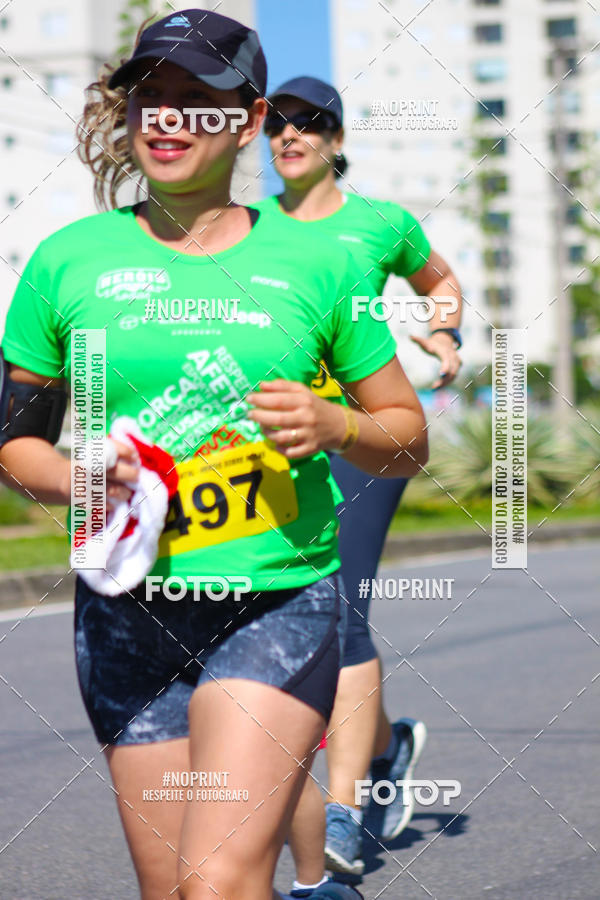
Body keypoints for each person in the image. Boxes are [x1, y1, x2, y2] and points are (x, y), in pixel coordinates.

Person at [0, 12, 428, 900]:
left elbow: (406, 436)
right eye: (150, 97)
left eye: (197, 100)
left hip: (271, 604)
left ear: (248, 118)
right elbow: (17, 445)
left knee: (217, 884)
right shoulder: (66, 261)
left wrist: (336, 424)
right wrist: (88, 474)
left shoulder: (317, 264)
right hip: (126, 612)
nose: (165, 118)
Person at [258, 76, 463, 876]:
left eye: (309, 124)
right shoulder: (245, 226)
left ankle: (342, 813)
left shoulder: (382, 224)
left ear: (337, 140)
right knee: (288, 618)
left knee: (344, 611)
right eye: (277, 123)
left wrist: (442, 339)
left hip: (366, 436)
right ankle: (390, 743)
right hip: (271, 446)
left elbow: (438, 281)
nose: (291, 135)